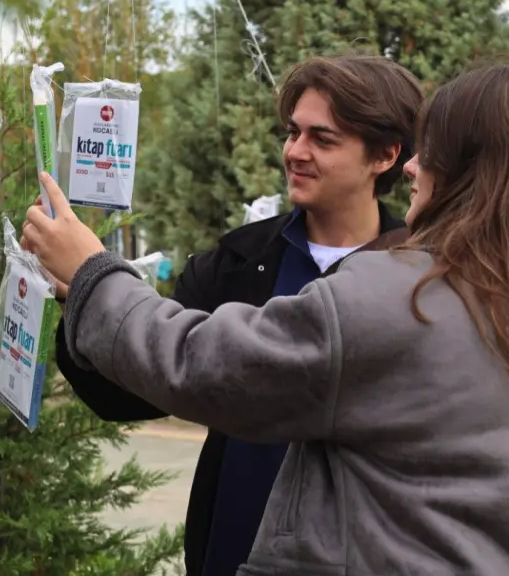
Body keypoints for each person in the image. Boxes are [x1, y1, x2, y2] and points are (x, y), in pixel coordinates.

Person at [24, 62, 509, 575]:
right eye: (293, 132)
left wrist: (93, 274)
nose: (418, 165)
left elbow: (198, 364)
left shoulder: (400, 297)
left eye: (434, 149)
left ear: (468, 171)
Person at [51, 54, 424, 576]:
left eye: (322, 139)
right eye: (292, 132)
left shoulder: (420, 281)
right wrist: (85, 298)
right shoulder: (236, 263)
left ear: (384, 155)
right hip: (229, 554)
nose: (296, 151)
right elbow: (134, 390)